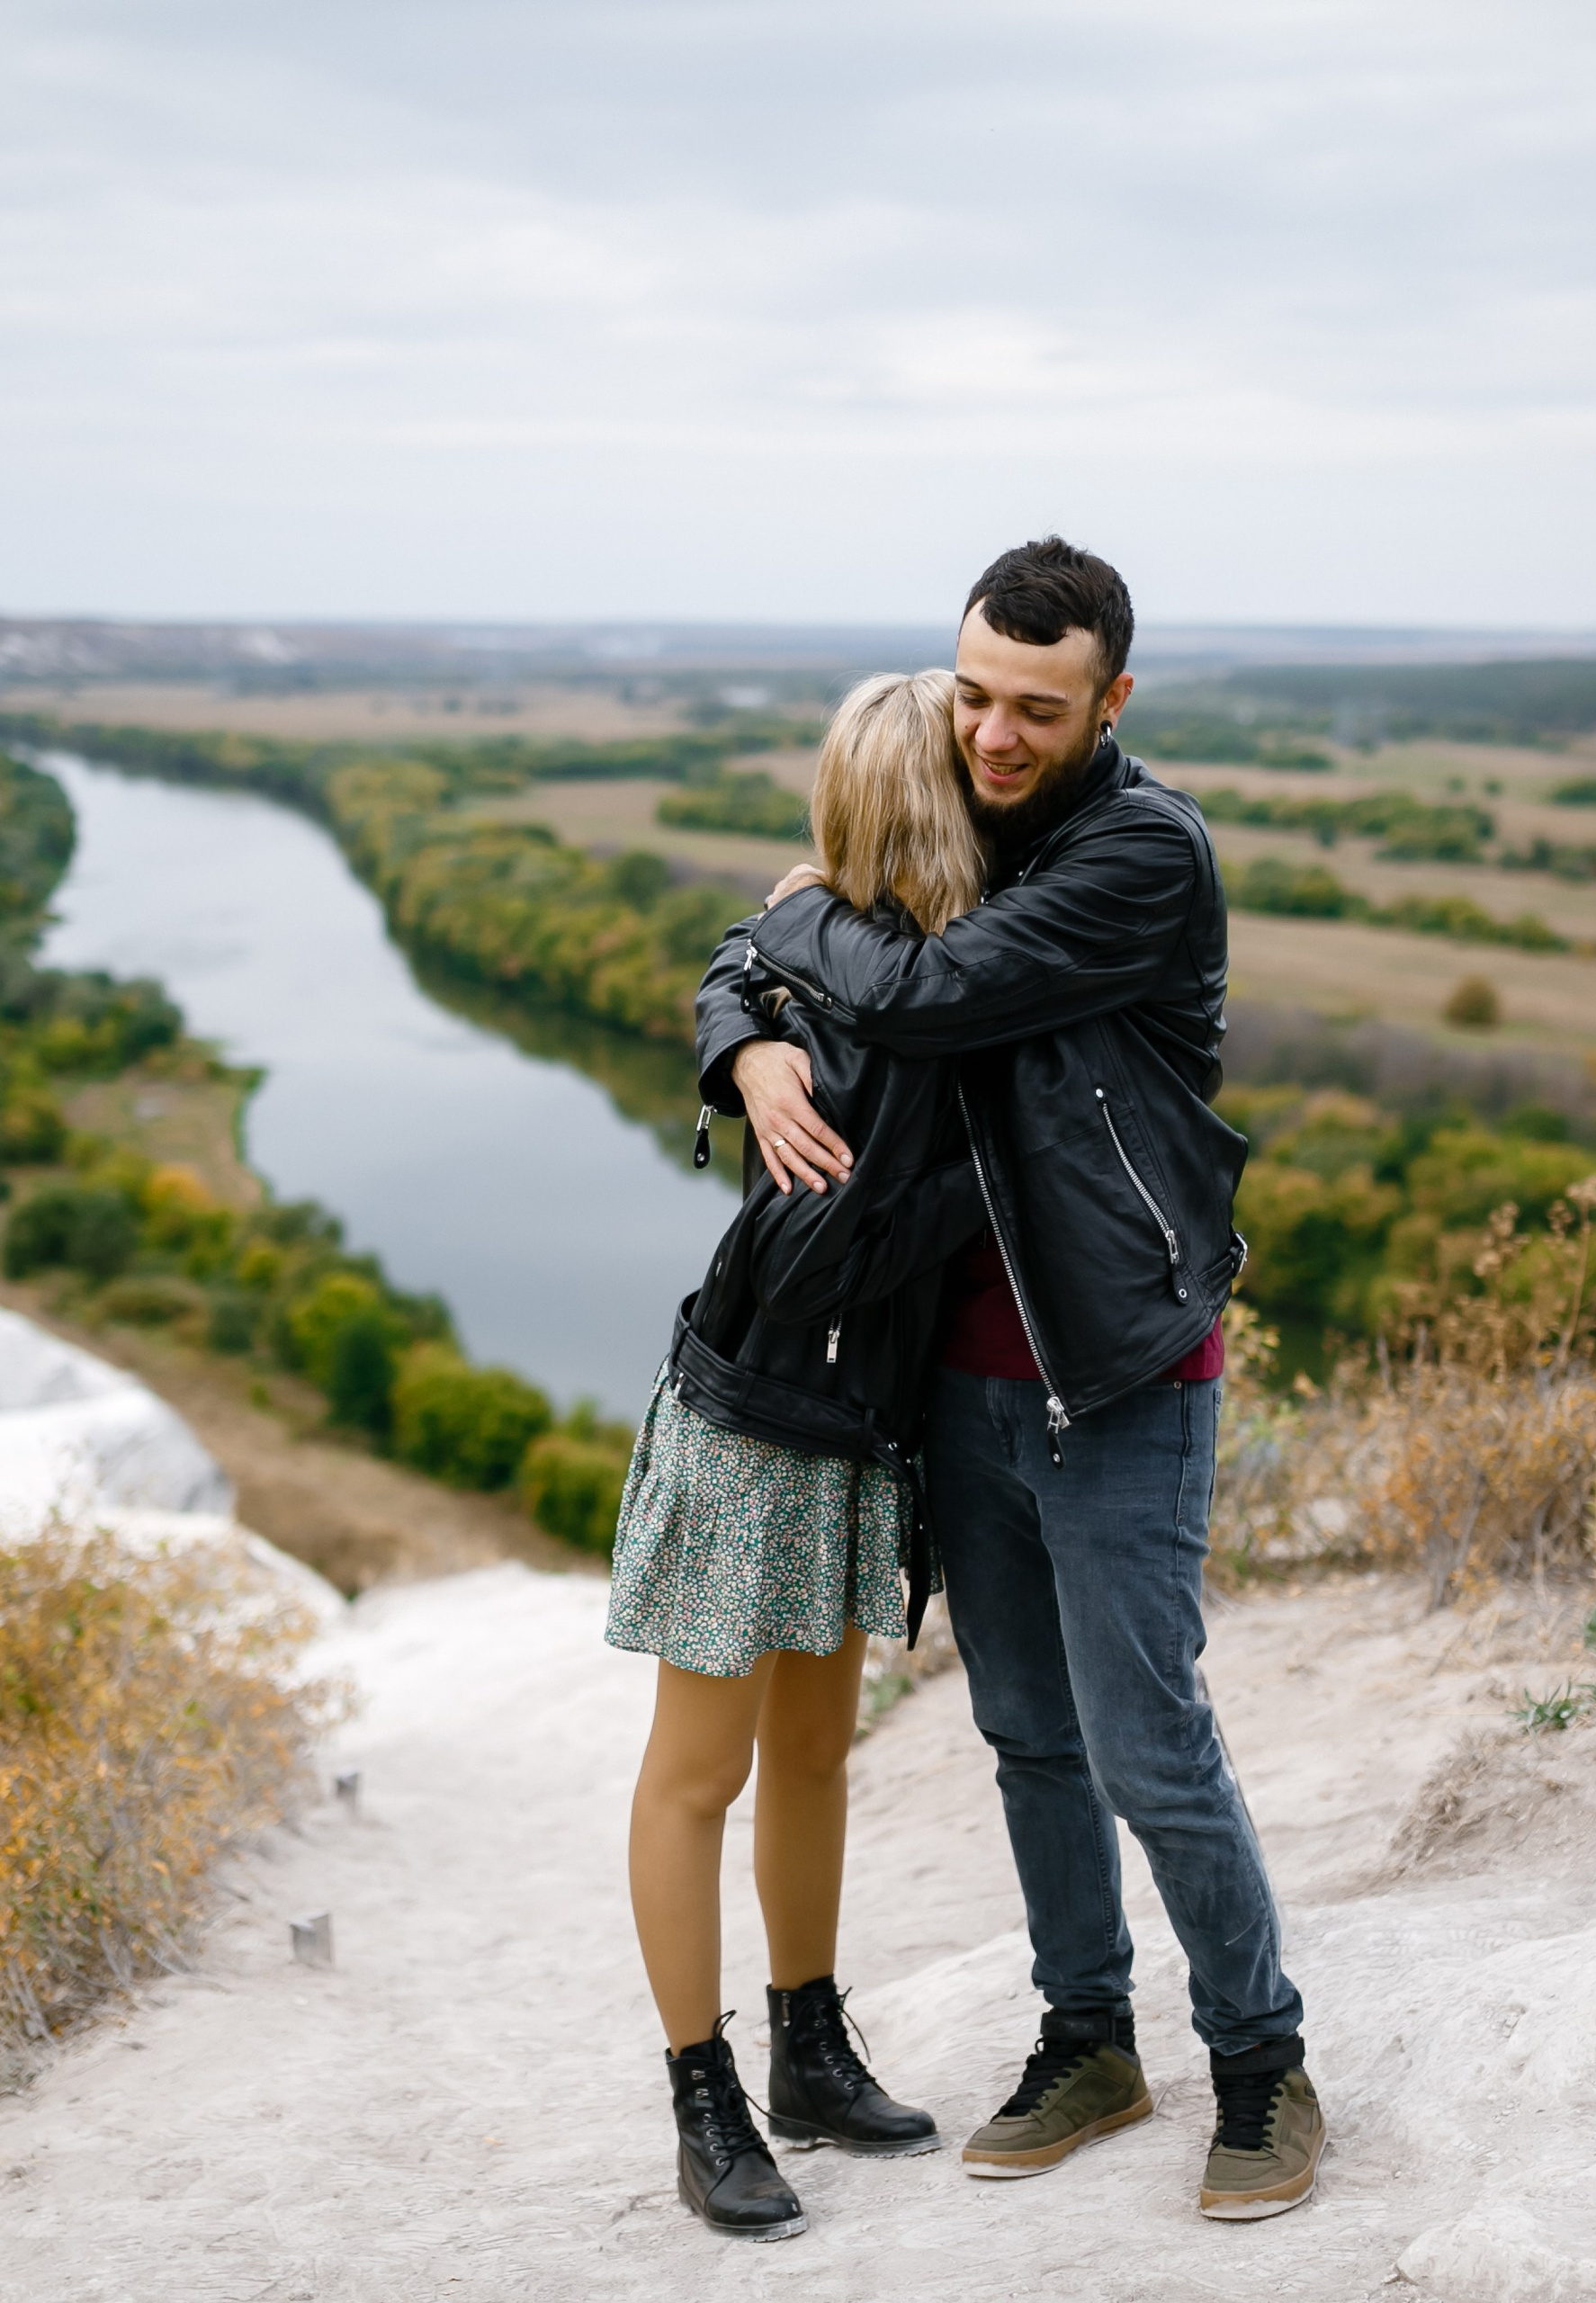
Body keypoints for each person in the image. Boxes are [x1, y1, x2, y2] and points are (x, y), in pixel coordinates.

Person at [699, 538, 1323, 2224]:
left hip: (1112, 1369)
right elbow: (758, 949)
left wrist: (796, 923)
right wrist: (746, 1040)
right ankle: (1088, 2042)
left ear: (1110, 702)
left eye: (1036, 709)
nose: (989, 734)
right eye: (972, 695)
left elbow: (922, 986)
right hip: (958, 1376)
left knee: (1146, 1745)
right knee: (1029, 1738)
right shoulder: (964, 811)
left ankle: (1262, 2066)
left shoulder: (1140, 850)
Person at [606, 668, 988, 2243]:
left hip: (858, 1432)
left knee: (821, 1754)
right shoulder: (843, 969)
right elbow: (838, 1243)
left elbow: (752, 942)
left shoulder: (906, 965)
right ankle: (703, 2100)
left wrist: (746, 1024)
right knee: (701, 1772)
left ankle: (809, 2049)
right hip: (755, 1422)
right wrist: (752, 1040)